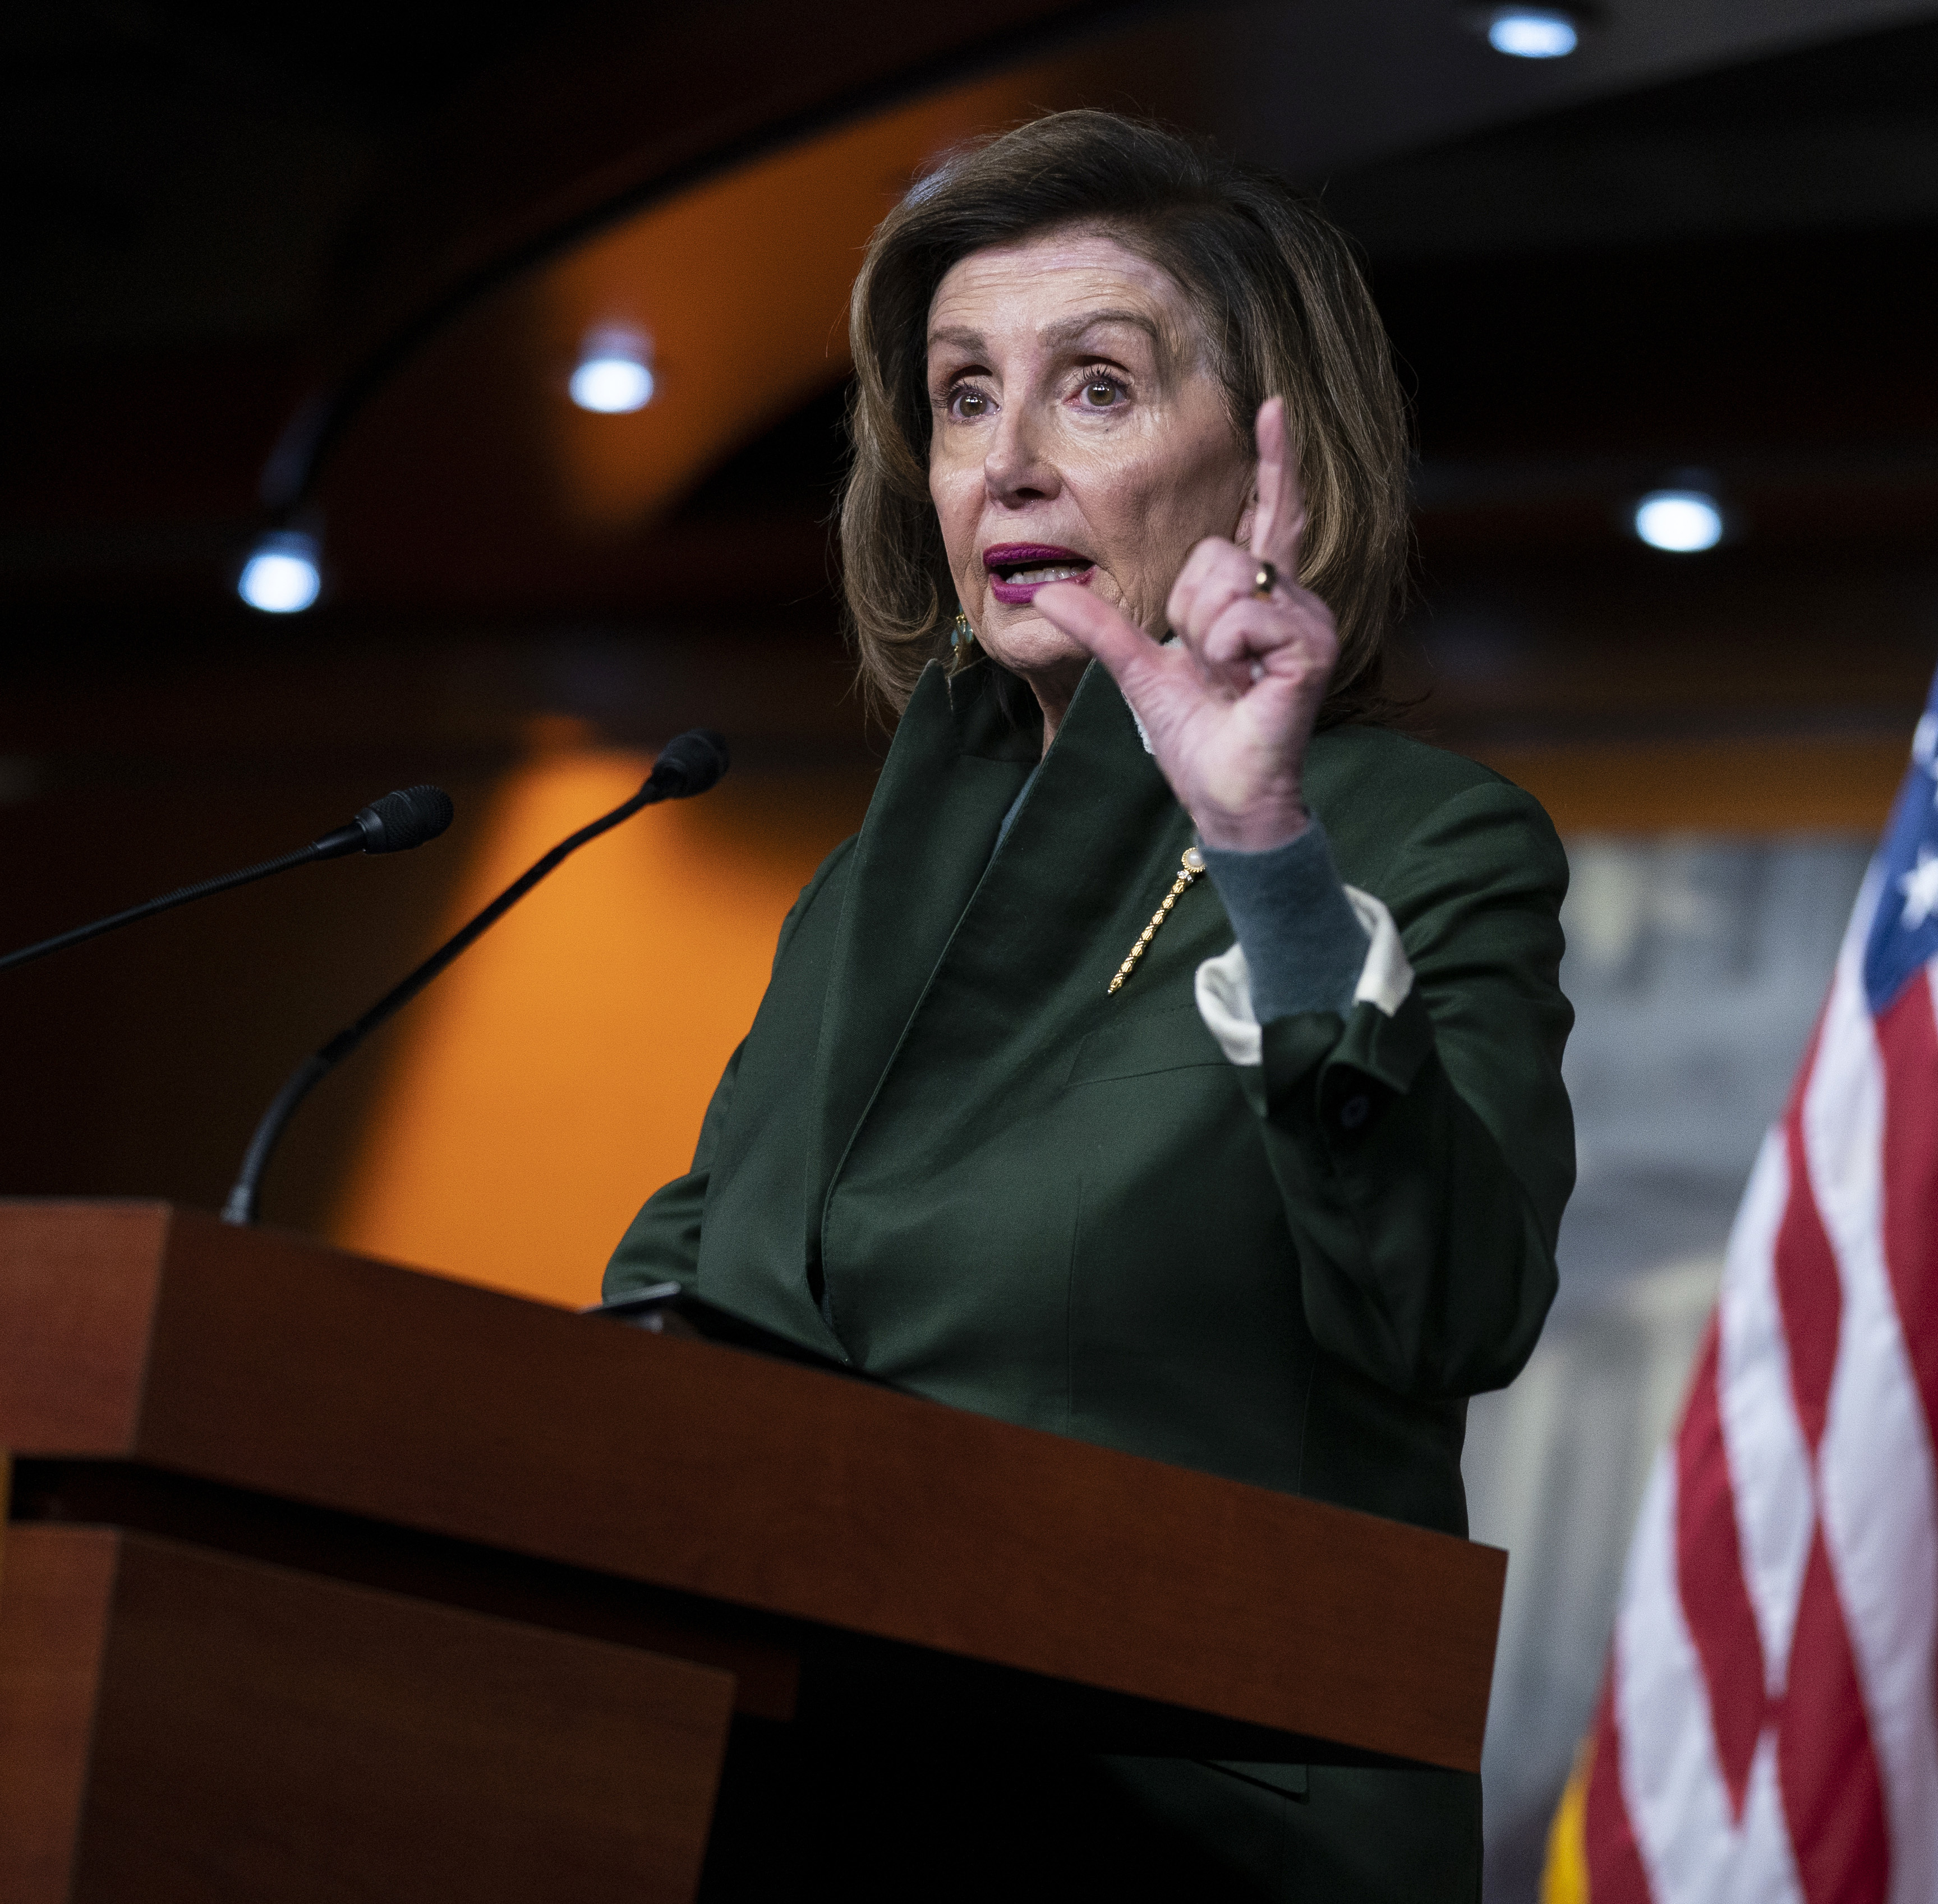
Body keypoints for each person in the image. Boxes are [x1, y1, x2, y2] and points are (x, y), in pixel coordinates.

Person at [607, 109, 1576, 1901]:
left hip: (1189, 1826)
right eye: (964, 398)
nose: (1009, 465)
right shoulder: (863, 887)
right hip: (798, 1780)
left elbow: (1455, 1295)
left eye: (1099, 389)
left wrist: (1264, 848)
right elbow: (693, 1295)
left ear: (1270, 455)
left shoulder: (1424, 841)